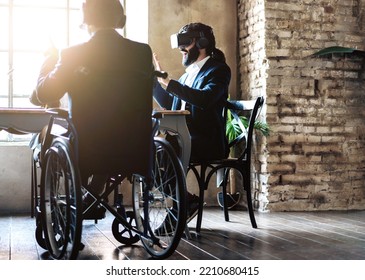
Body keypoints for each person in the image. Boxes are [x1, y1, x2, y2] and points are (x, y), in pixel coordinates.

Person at [30, 0, 154, 219]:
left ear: (85, 22)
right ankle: (91, 198)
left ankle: (76, 203)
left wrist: (49, 60)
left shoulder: (72, 54)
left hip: (88, 150)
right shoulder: (142, 52)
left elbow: (45, 94)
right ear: (120, 20)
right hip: (135, 148)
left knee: (48, 140)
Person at [153, 23, 231, 229]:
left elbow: (205, 99)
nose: (181, 49)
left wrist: (170, 84)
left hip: (207, 139)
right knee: (151, 150)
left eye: (186, 43)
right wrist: (154, 82)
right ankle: (186, 200)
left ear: (203, 42)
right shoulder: (188, 74)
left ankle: (180, 209)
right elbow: (173, 105)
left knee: (170, 147)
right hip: (183, 137)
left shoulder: (219, 70)